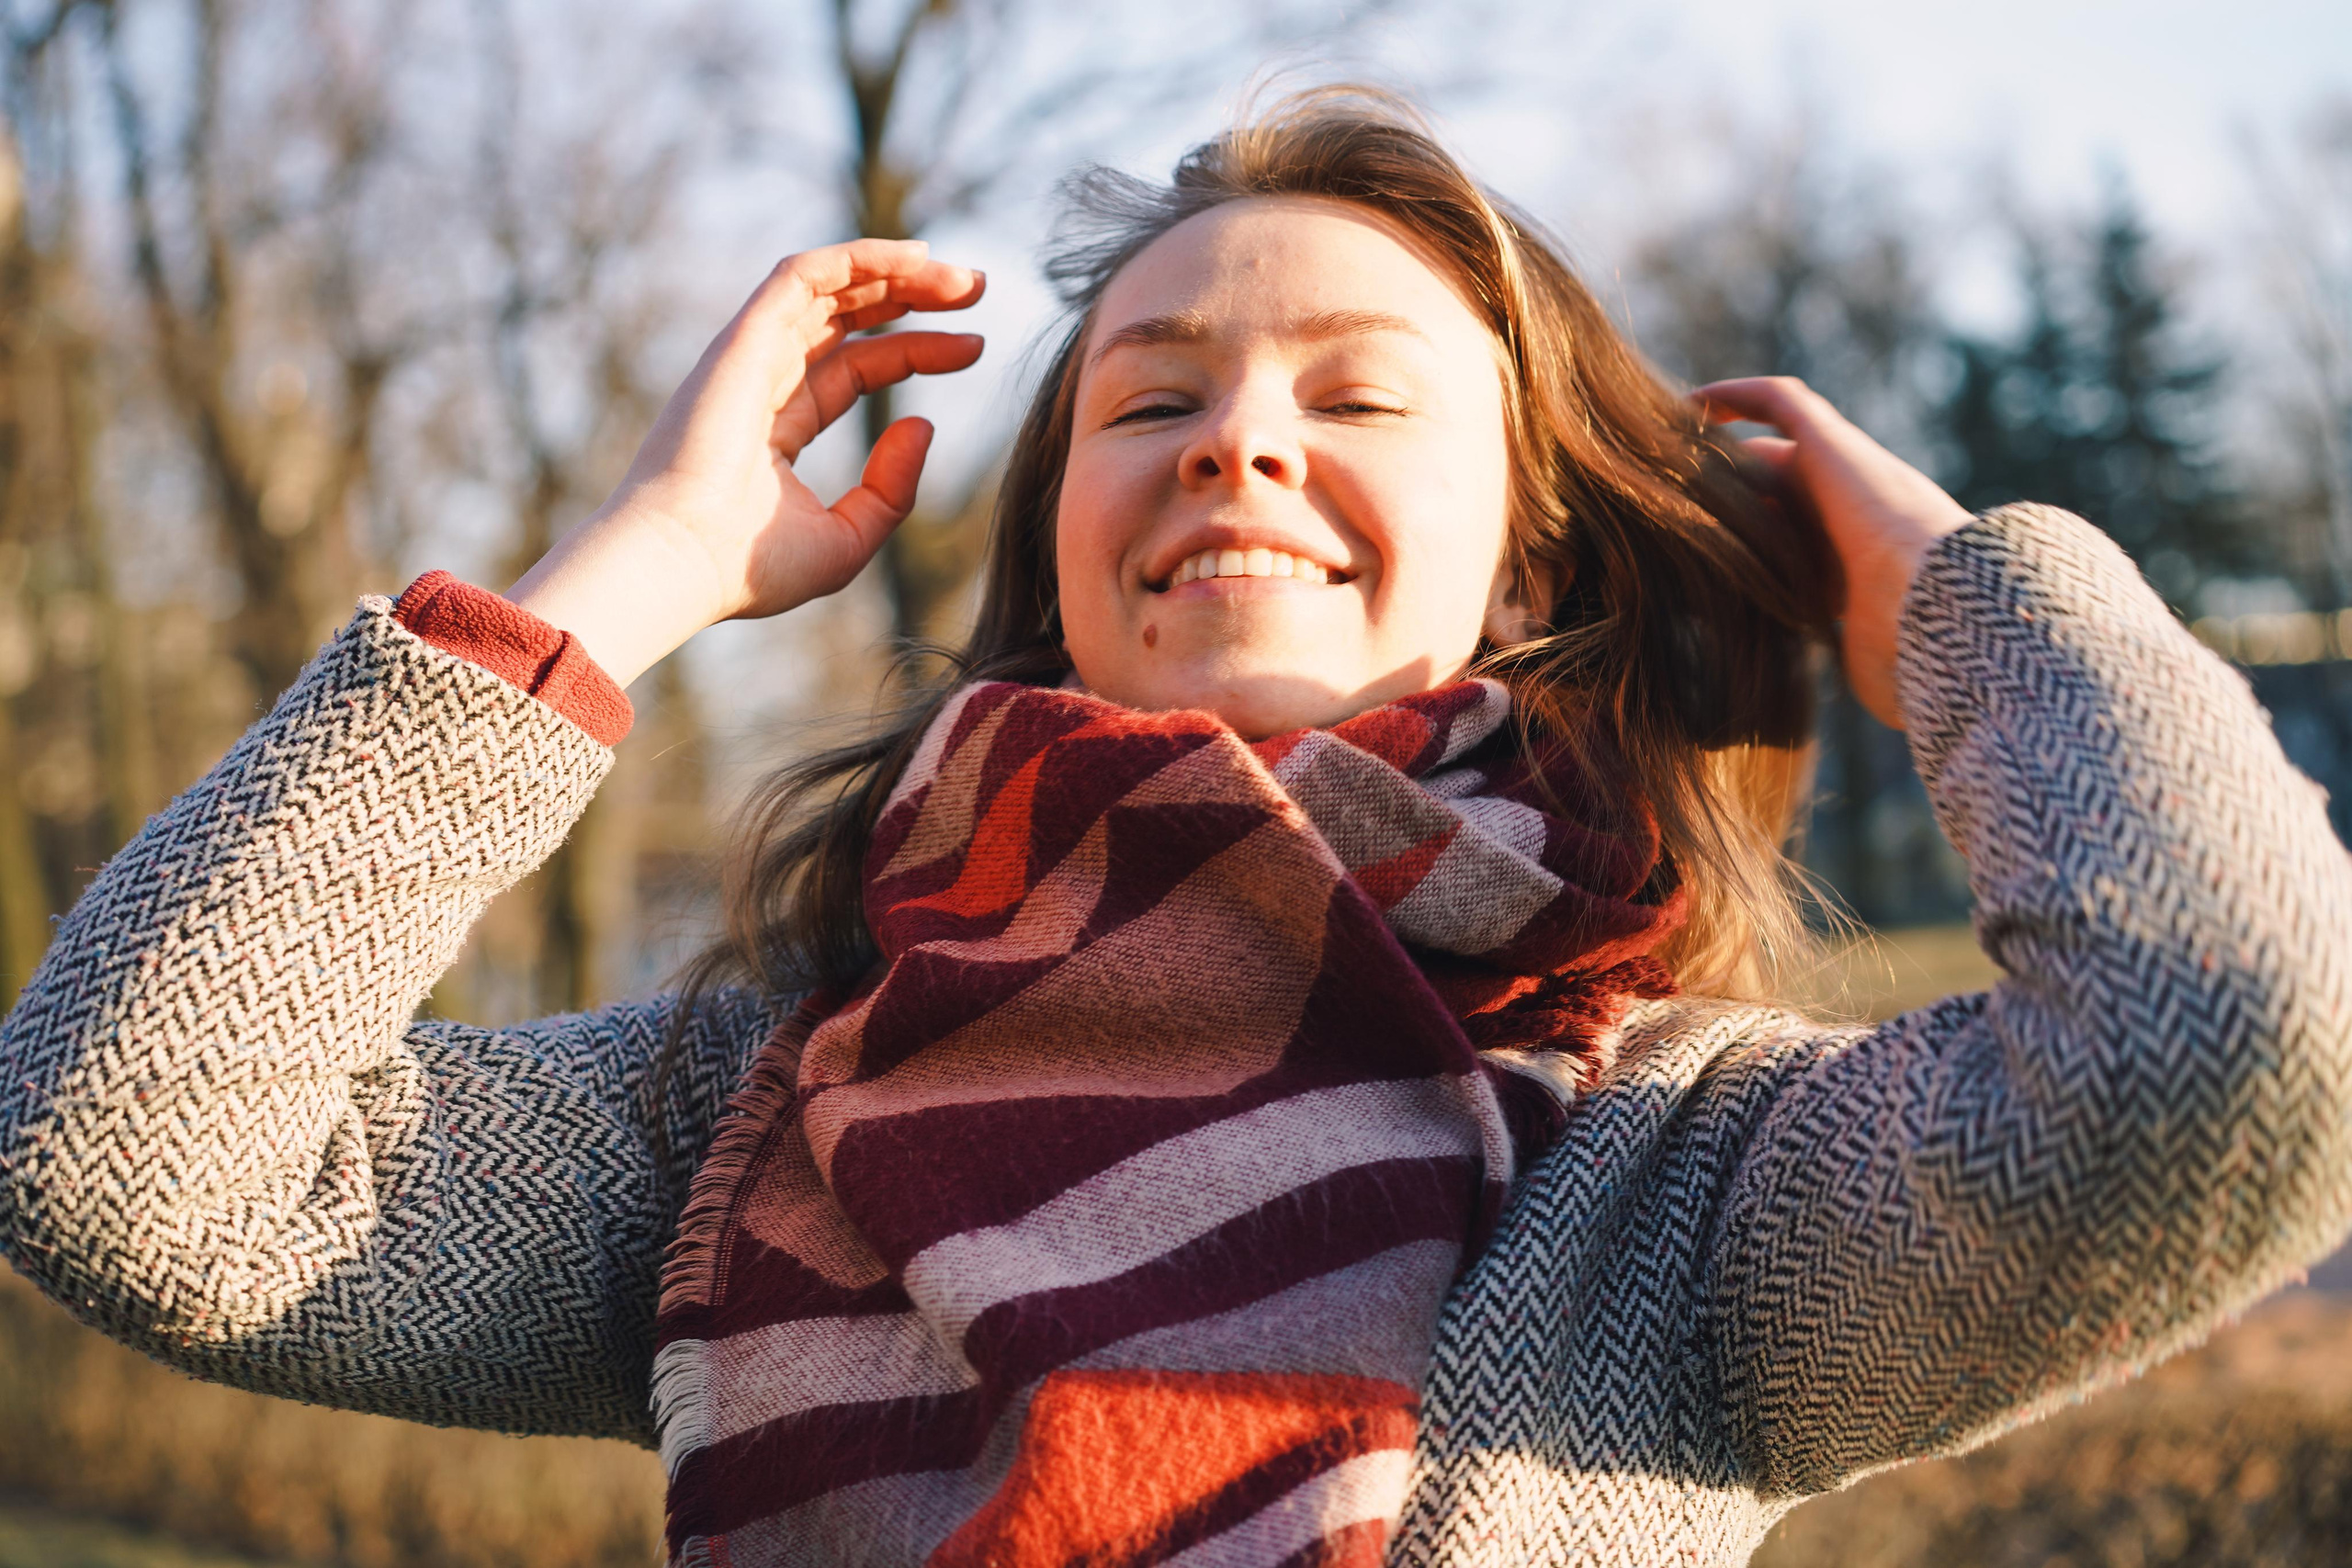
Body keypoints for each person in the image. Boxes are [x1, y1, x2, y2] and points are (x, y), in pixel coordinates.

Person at [4, 89, 2349, 1568]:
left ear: (1528, 563)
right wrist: (648, 558)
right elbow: (124, 1154)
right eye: (1152, 394)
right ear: (1062, 565)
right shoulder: (760, 1114)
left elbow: (2239, 1056)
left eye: (1349, 392)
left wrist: (1965, 591)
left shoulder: (1677, 1185)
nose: (1233, 438)